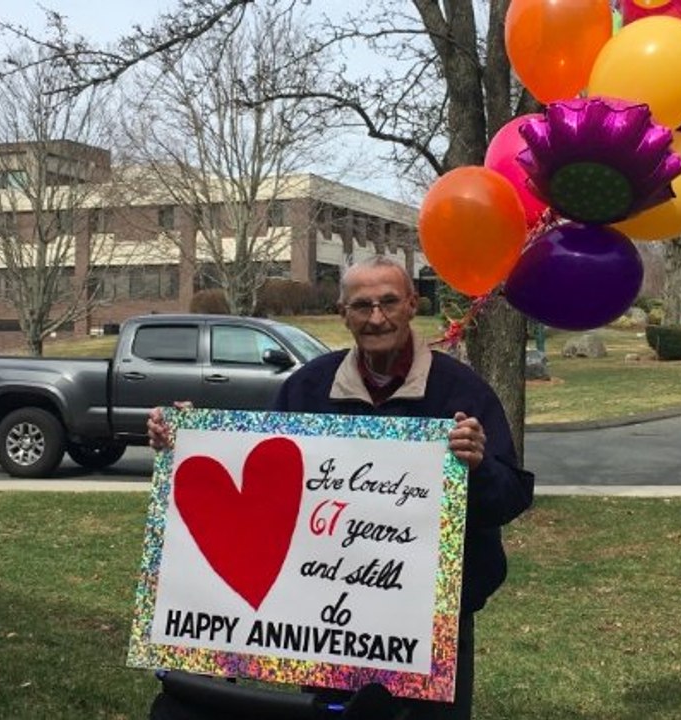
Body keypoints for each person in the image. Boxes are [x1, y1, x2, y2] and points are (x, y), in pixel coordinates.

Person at [148, 255, 534, 719]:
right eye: (362, 306)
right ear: (342, 314)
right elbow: (259, 481)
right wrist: (187, 441)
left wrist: (478, 466)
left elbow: (510, 498)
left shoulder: (461, 392)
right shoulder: (308, 388)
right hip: (325, 618)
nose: (377, 317)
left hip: (429, 622)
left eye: (389, 302)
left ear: (413, 304)